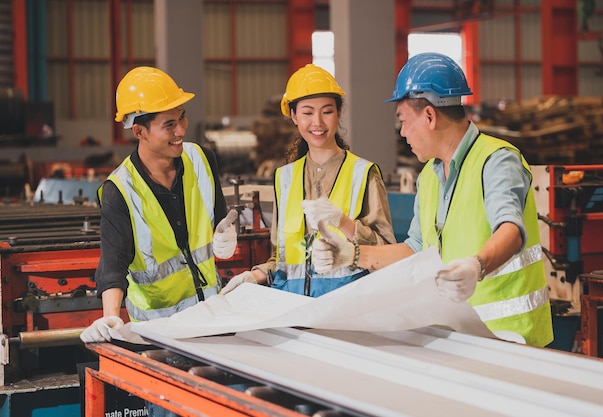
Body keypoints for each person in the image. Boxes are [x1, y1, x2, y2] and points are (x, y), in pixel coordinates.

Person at [309, 53, 553, 347]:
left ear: (429, 115)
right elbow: (415, 250)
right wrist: (352, 255)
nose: (402, 132)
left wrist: (477, 266)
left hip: (512, 339)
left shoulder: (496, 160)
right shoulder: (429, 177)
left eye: (403, 120)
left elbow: (510, 230)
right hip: (460, 336)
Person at [80, 66, 238, 345]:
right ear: (139, 131)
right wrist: (110, 316)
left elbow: (218, 220)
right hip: (159, 333)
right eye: (169, 125)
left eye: (182, 118)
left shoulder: (202, 159)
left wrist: (225, 233)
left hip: (213, 319)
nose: (181, 130)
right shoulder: (119, 190)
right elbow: (112, 265)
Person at [221, 63, 396, 297]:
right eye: (307, 112)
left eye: (327, 111)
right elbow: (282, 258)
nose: (318, 123)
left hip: (346, 308)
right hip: (294, 310)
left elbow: (387, 252)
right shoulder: (284, 178)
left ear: (339, 112)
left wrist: (343, 222)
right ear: (293, 116)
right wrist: (255, 275)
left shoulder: (363, 174)